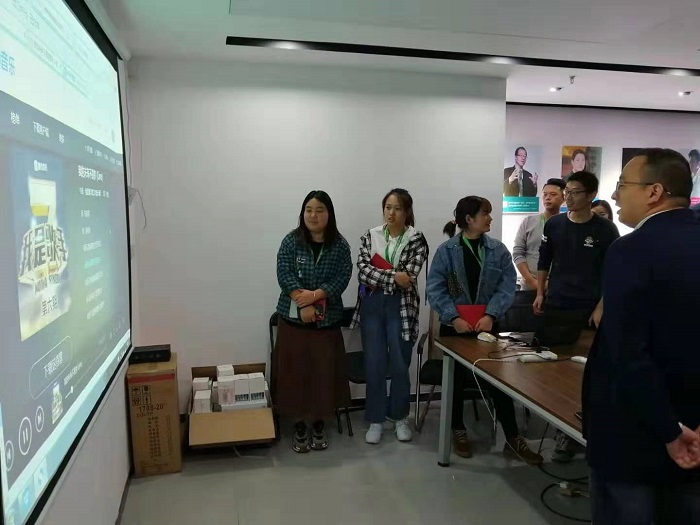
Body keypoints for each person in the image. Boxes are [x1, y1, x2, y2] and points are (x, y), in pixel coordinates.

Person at [583, 148, 700, 524]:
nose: (615, 195)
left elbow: (629, 353)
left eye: (622, 185)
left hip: (636, 436)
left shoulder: (630, 250)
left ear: (654, 192)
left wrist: (669, 430)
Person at [427, 196, 543, 464]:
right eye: (485, 213)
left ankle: (513, 438)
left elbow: (506, 286)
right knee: (455, 381)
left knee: (498, 381)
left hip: (489, 328)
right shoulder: (447, 251)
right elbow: (437, 288)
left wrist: (491, 314)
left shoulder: (497, 250)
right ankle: (457, 430)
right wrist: (454, 317)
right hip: (455, 329)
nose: (490, 218)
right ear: (469, 219)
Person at [533, 171, 620, 462]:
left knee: (583, 374)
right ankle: (561, 427)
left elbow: (612, 272)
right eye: (566, 192)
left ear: (590, 195)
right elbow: (544, 260)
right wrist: (540, 293)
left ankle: (578, 433)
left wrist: (601, 306)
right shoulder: (555, 224)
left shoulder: (605, 230)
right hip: (557, 304)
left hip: (589, 310)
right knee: (554, 372)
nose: (568, 197)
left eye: (574, 192)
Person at [273, 190, 353, 453]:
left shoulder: (340, 245)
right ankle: (298, 424)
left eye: (319, 210)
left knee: (322, 375)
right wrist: (303, 302)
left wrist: (316, 296)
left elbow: (343, 277)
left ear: (329, 214)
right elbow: (284, 273)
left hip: (326, 323)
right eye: (308, 210)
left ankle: (319, 422)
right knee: (295, 374)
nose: (313, 215)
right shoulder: (291, 241)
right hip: (293, 322)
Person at [351, 189, 429, 444]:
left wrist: (384, 276)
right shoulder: (370, 235)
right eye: (387, 207)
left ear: (407, 212)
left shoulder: (416, 239)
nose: (391, 213)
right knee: (373, 362)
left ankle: (399, 416)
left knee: (399, 363)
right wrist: (394, 276)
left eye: (397, 208)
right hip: (372, 303)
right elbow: (363, 272)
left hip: (402, 306)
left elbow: (410, 276)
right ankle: (375, 419)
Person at [512, 178, 565, 291]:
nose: (548, 197)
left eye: (553, 194)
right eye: (545, 194)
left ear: (563, 198)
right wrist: (531, 281)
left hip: (557, 287)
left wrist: (550, 284)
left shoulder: (567, 224)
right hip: (529, 285)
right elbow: (517, 253)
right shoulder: (528, 222)